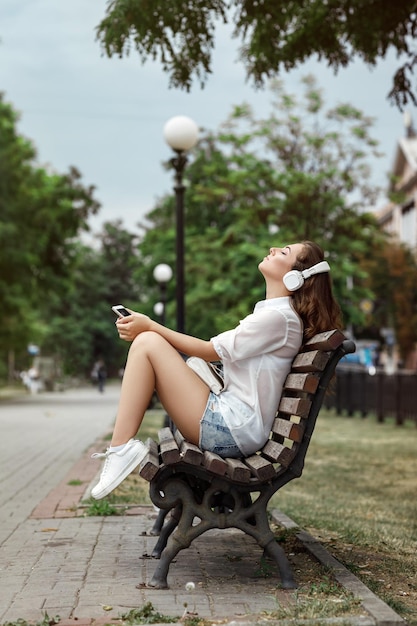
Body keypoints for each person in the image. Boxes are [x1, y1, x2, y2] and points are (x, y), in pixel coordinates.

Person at [91, 241, 342, 499]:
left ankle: (120, 448)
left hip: (231, 429)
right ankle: (121, 448)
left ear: (294, 278)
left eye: (284, 252)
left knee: (147, 341)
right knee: (148, 341)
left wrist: (150, 325)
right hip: (232, 425)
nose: (273, 249)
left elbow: (209, 350)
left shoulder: (279, 318)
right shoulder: (275, 315)